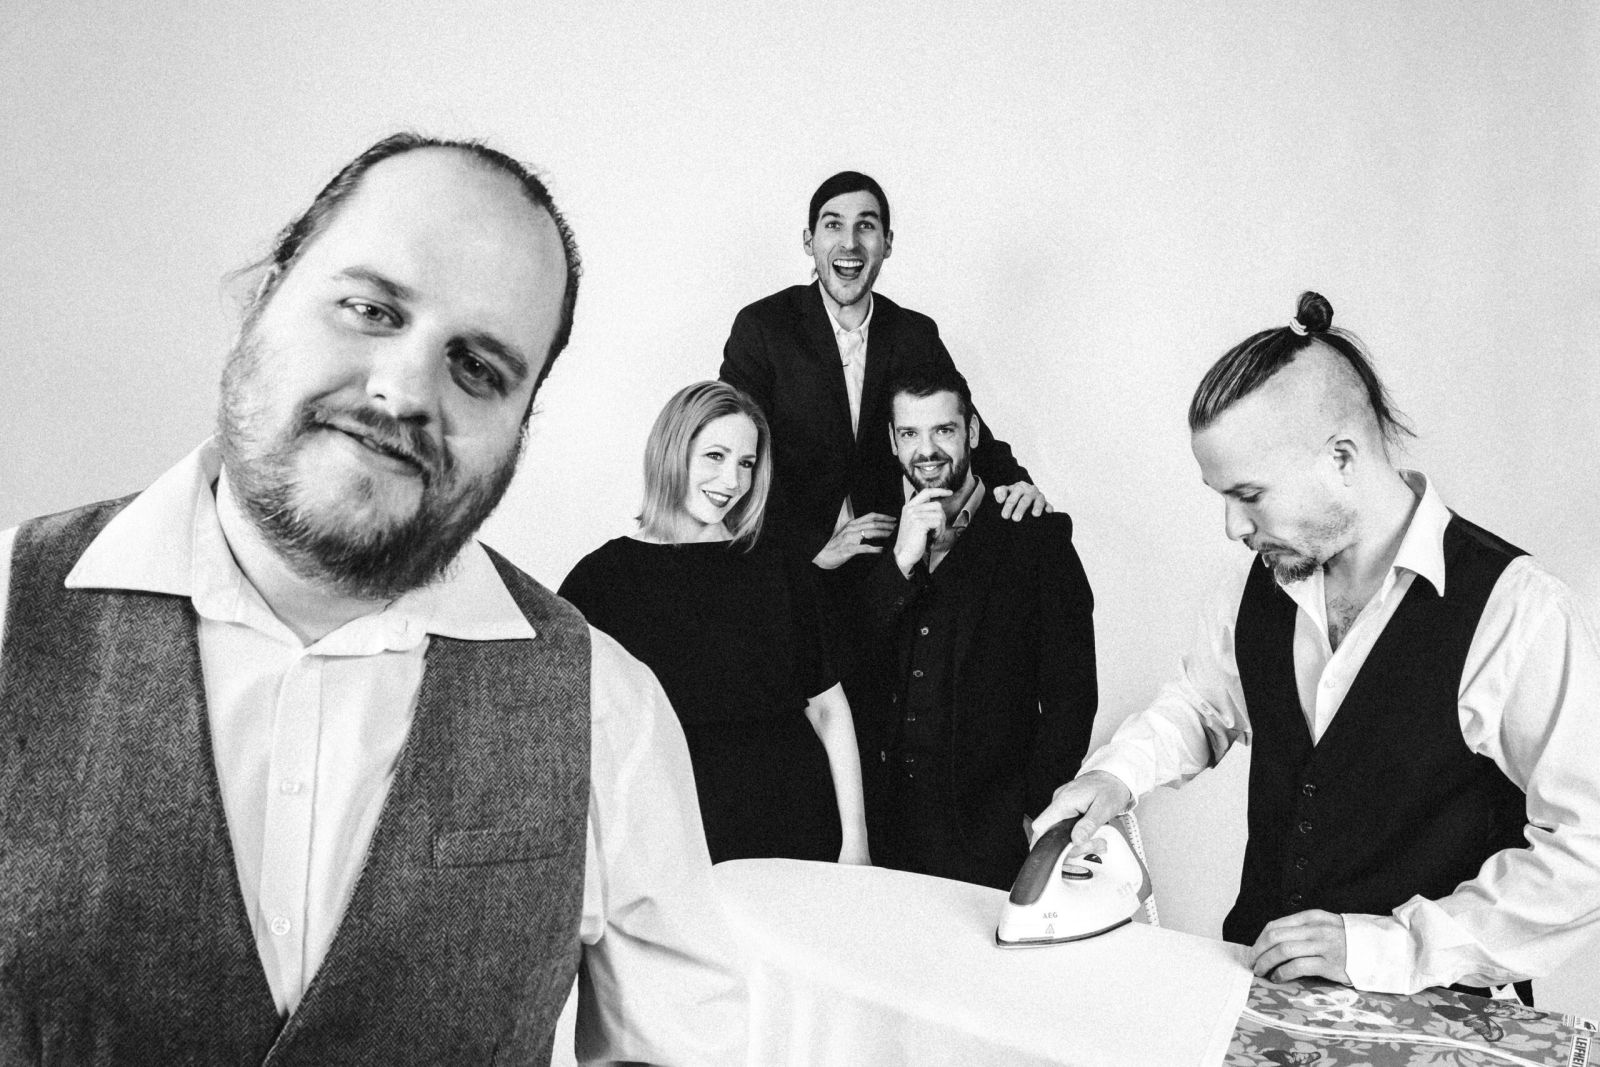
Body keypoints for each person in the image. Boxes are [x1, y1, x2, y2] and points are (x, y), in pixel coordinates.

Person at [0, 134, 744, 1065]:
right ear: (265, 293)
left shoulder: (608, 711)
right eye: (370, 309)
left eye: (479, 368)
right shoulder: (8, 612)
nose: (403, 391)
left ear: (521, 425)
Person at [1032, 291, 1600, 1001]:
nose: (1233, 527)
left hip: (1435, 1016)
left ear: (1341, 458)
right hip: (1259, 989)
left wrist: (1392, 947)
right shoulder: (1257, 582)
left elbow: (1586, 850)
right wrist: (1115, 777)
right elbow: (1202, 706)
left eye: (1249, 495)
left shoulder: (1519, 611)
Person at [560, 381, 870, 867]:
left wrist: (855, 844)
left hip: (798, 830)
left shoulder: (779, 567)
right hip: (667, 843)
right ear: (672, 451)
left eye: (746, 463)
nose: (732, 481)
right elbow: (573, 737)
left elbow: (830, 710)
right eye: (715, 456)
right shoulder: (602, 580)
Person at [719, 170, 1050, 577]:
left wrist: (1017, 484)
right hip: (787, 561)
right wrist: (810, 551)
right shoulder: (763, 327)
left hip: (888, 559)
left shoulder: (913, 334)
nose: (849, 242)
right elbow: (729, 447)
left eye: (866, 226)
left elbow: (964, 427)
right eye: (833, 225)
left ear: (887, 243)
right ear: (809, 241)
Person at [856, 367, 1097, 890]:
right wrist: (898, 566)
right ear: (893, 442)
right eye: (909, 433)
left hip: (991, 836)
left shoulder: (1037, 538)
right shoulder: (875, 539)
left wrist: (1033, 809)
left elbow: (1072, 694)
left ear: (972, 432)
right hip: (885, 834)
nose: (927, 450)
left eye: (943, 430)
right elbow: (853, 666)